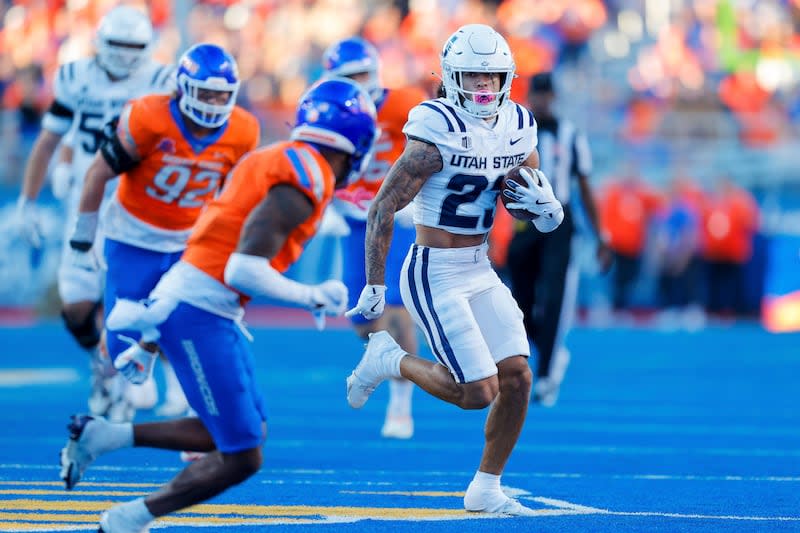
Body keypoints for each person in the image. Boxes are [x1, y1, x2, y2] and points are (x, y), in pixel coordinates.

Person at [58, 77, 378, 533]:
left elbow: (211, 246)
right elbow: (241, 270)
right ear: (357, 143)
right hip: (200, 312)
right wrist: (310, 296)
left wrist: (151, 335)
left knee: (237, 432)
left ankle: (103, 437)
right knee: (243, 454)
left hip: (198, 304)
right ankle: (127, 520)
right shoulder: (304, 175)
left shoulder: (277, 157)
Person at [345, 24, 562, 516]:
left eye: (492, 78)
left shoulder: (519, 124)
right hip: (433, 269)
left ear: (507, 77)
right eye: (472, 77)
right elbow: (383, 206)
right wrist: (375, 283)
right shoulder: (434, 126)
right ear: (450, 76)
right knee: (477, 391)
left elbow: (520, 198)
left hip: (479, 265)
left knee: (519, 376)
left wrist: (545, 210)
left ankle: (487, 488)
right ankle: (387, 358)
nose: (483, 88)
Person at [68, 43, 260, 423]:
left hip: (189, 239)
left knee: (187, 319)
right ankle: (110, 387)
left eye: (222, 94)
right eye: (205, 92)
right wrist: (81, 238)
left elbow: (236, 192)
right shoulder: (149, 117)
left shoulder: (242, 129)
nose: (213, 102)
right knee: (122, 331)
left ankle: (191, 401)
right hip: (133, 237)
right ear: (183, 87)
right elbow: (98, 173)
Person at [14, 5, 177, 420]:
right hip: (84, 204)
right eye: (117, 44)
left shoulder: (161, 80)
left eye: (133, 46)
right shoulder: (75, 76)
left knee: (149, 300)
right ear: (100, 42)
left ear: (148, 46)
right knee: (76, 308)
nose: (124, 54)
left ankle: (162, 377)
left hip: (137, 204)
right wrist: (27, 201)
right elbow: (50, 140)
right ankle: (108, 369)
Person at [321, 36, 426, 439]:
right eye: (348, 76)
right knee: (363, 318)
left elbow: (431, 151)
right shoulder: (328, 108)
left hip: (396, 215)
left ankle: (401, 406)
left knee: (396, 308)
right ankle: (383, 359)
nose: (358, 82)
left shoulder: (402, 104)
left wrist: (417, 196)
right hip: (352, 216)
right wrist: (325, 204)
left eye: (363, 74)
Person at [505, 72, 612, 407]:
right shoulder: (516, 132)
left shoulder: (570, 135)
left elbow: (585, 187)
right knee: (519, 303)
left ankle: (548, 374)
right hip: (525, 221)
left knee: (553, 299)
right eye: (538, 96)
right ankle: (550, 352)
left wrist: (601, 236)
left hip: (561, 222)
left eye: (548, 96)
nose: (543, 102)